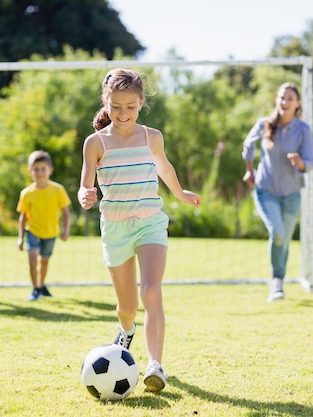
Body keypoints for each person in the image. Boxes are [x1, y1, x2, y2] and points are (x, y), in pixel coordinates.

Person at [78, 68, 201, 393]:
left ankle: (155, 365)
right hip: (115, 227)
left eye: (130, 107)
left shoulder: (151, 137)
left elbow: (164, 167)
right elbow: (85, 184)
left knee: (151, 290)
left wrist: (180, 193)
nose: (123, 113)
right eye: (116, 106)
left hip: (150, 222)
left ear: (141, 103)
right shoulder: (95, 143)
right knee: (128, 306)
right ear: (106, 102)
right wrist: (85, 195)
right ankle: (126, 329)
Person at [242, 82, 313, 302]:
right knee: (278, 233)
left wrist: (299, 163)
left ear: (298, 103)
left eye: (290, 98)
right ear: (277, 100)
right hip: (266, 190)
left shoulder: (303, 130)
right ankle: (276, 280)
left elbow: (310, 161)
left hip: (292, 193)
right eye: (282, 97)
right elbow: (248, 145)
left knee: (284, 240)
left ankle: (280, 279)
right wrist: (249, 170)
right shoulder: (265, 124)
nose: (285, 102)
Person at [17, 150, 71, 301]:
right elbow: (22, 217)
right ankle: (35, 289)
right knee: (33, 261)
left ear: (50, 170)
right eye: (36, 169)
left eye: (43, 169)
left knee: (44, 262)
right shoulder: (27, 193)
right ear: (30, 171)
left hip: (51, 233)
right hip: (32, 231)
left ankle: (41, 284)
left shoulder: (58, 190)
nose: (39, 172)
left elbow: (66, 213)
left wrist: (65, 230)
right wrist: (21, 238)